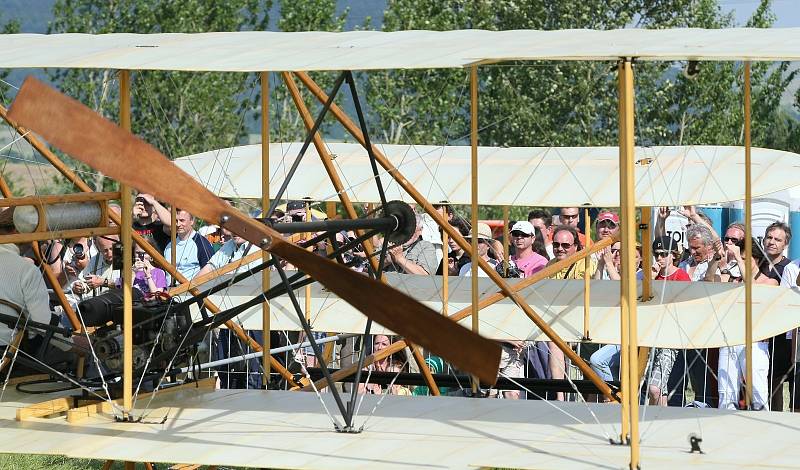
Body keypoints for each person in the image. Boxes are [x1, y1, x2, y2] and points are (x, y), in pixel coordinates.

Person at [717, 240, 775, 410]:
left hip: (755, 342)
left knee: (758, 396)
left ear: (757, 259)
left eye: (745, 258)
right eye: (739, 258)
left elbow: (753, 289)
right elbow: (710, 281)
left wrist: (738, 259)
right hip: (730, 341)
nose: (740, 261)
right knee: (726, 396)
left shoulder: (770, 282)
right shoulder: (733, 279)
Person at [546, 225, 596, 400]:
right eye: (556, 244)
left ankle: (589, 399)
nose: (560, 248)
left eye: (566, 245)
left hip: (585, 320)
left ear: (576, 246)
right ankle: (560, 397)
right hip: (559, 321)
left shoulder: (586, 261)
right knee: (553, 342)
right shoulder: (550, 264)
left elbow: (584, 289)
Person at [0, 211, 51, 347]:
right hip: (8, 353)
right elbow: (42, 325)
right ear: (18, 229)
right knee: (74, 357)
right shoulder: (27, 270)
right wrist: (72, 345)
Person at [163, 209, 213, 281]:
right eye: (176, 220)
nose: (178, 224)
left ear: (192, 221)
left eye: (182, 220)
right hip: (168, 290)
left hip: (190, 290)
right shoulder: (169, 244)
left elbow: (210, 272)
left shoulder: (202, 244)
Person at [72, 235, 119, 299]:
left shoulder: (126, 257)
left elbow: (128, 284)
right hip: (100, 302)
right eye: (105, 250)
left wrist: (103, 282)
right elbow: (86, 280)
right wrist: (80, 287)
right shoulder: (96, 259)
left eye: (111, 248)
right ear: (98, 249)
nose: (109, 254)